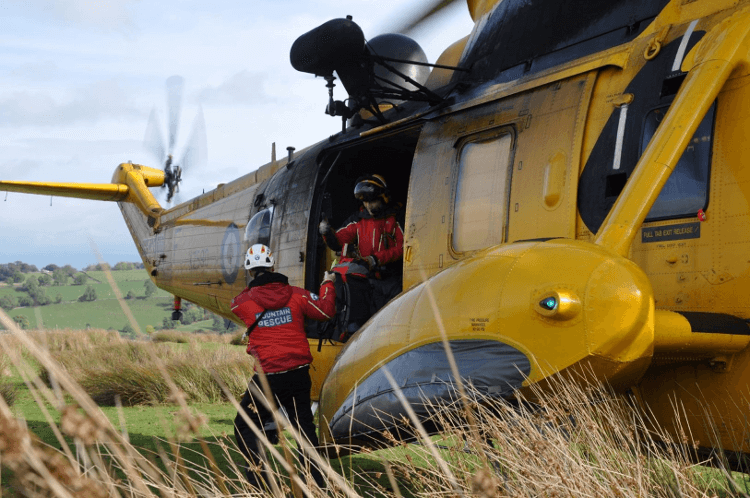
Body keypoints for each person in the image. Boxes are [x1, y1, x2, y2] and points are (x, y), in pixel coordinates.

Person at [231, 243, 336, 490]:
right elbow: (326, 310)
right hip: (299, 374)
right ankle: (316, 487)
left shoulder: (242, 302)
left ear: (250, 271)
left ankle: (261, 485)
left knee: (245, 426)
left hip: (269, 378)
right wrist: (328, 282)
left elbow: (236, 307)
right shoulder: (298, 295)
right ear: (273, 265)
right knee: (304, 431)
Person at [319, 174, 404, 338]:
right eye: (365, 202)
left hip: (393, 281)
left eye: (372, 201)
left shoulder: (396, 218)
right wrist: (327, 233)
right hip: (370, 283)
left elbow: (404, 247)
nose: (369, 206)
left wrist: (376, 259)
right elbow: (338, 241)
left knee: (395, 324)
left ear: (383, 197)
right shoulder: (358, 221)